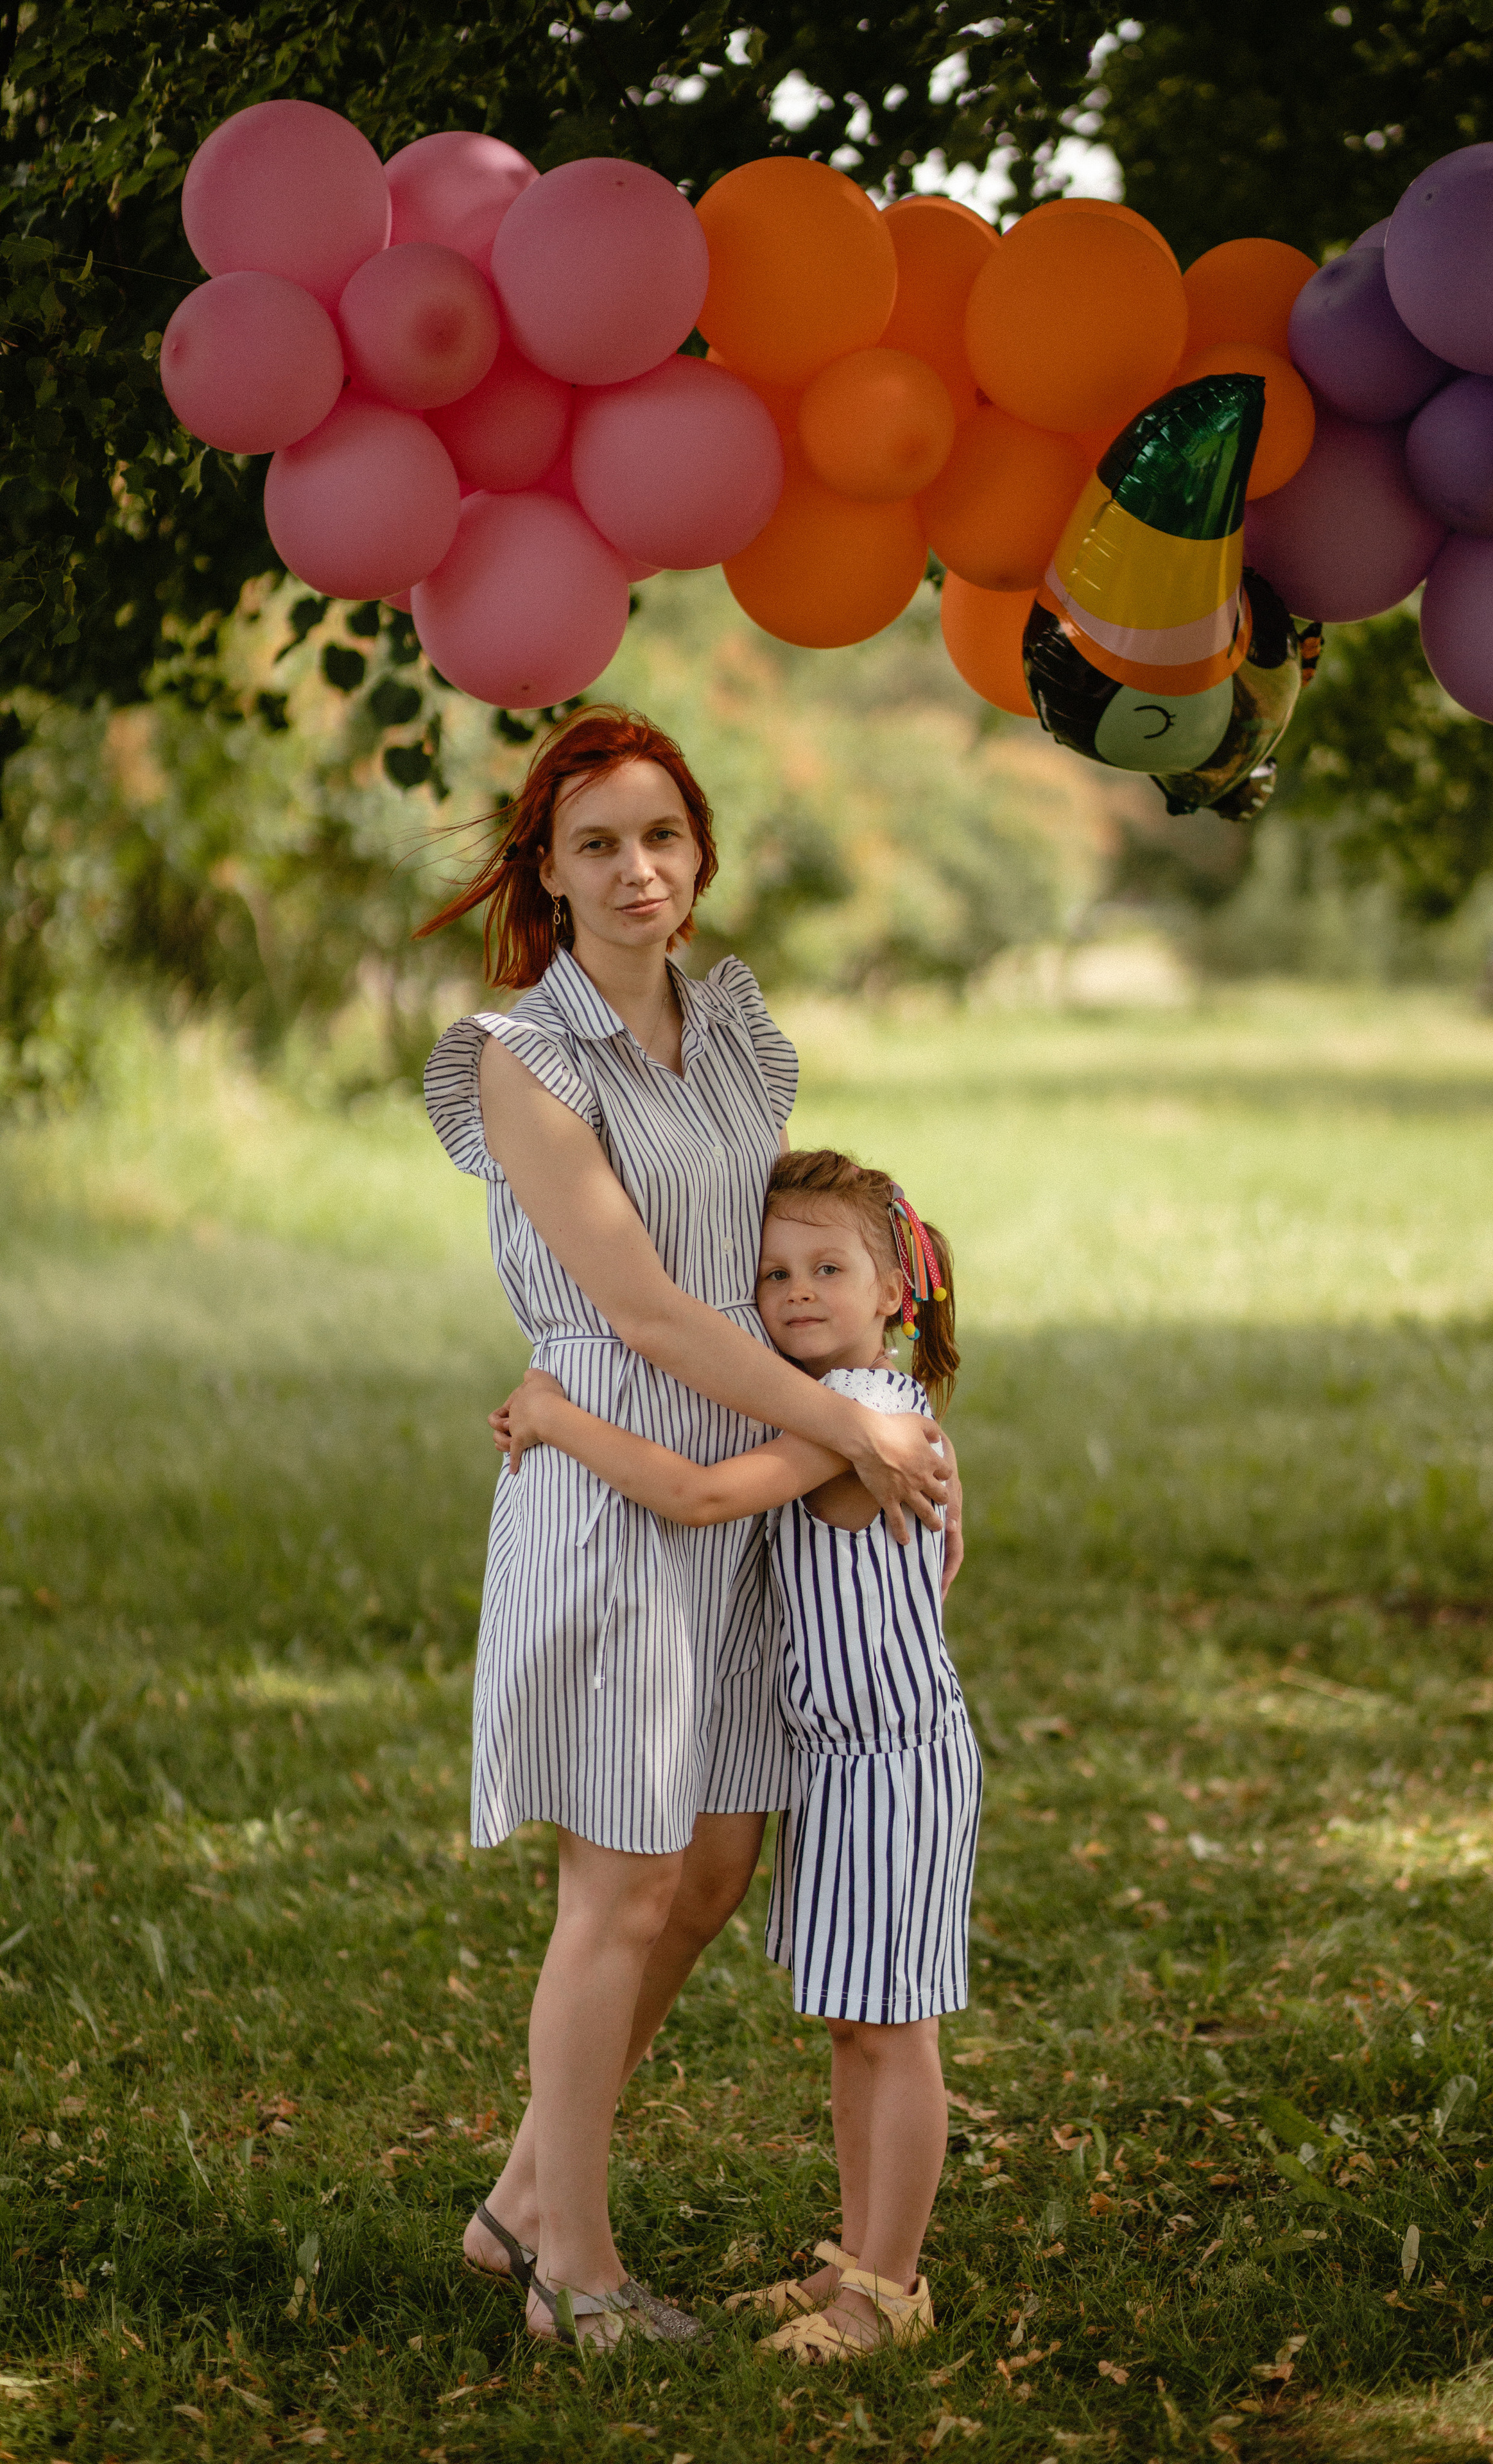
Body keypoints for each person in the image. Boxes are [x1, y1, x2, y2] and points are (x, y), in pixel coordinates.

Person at [419, 708, 955, 2352]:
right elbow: (647, 1306)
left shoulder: (733, 1028)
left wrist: (875, 1361)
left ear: (699, 849)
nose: (636, 869)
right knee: (624, 1876)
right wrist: (848, 1427)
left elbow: (781, 1248)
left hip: (744, 1466)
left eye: (660, 835)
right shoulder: (523, 1058)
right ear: (549, 874)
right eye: (596, 845)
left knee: (714, 1859)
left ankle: (517, 2197)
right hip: (617, 1466)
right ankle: (568, 2266)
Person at [494, 1147, 982, 2362]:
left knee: (893, 2031)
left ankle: (890, 2292)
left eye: (830, 1266)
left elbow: (703, 1497)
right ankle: (854, 2265)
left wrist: (559, 1418)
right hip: (839, 1764)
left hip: (893, 1765)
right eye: (772, 1273)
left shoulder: (862, 1425)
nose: (799, 1290)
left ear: (894, 1294)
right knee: (852, 2028)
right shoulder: (850, 1411)